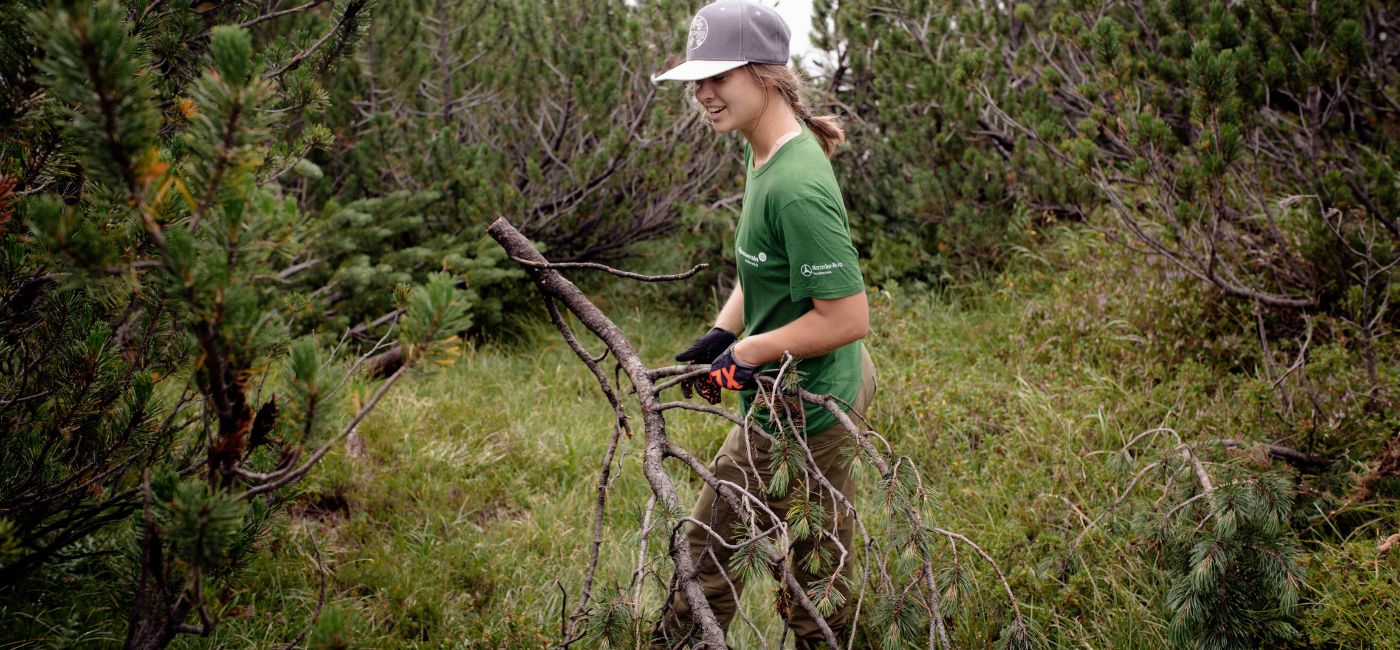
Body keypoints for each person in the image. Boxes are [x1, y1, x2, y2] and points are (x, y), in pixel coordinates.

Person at [651, 2, 878, 647]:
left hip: (808, 409)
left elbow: (848, 316)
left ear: (766, 74)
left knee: (788, 581)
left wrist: (752, 350)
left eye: (718, 76)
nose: (703, 93)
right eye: (698, 79)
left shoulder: (797, 183)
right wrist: (722, 335)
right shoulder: (762, 152)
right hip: (787, 393)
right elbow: (764, 273)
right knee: (735, 557)